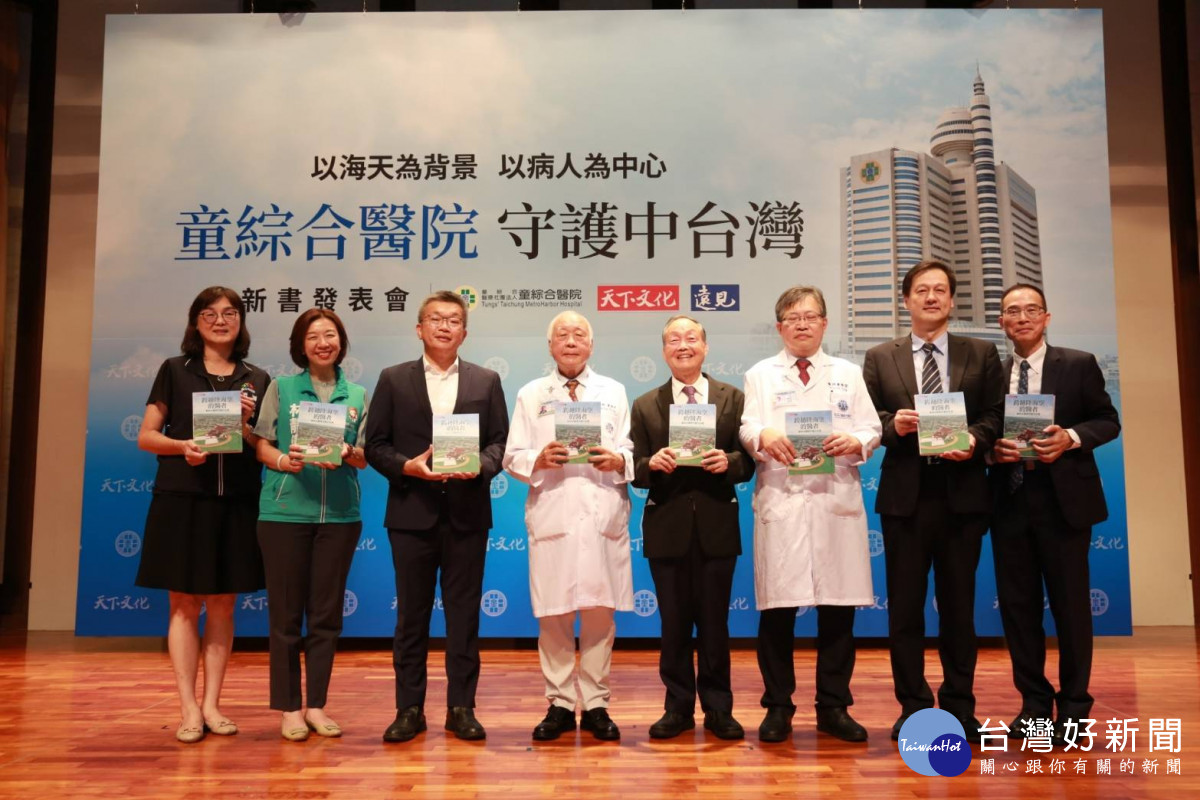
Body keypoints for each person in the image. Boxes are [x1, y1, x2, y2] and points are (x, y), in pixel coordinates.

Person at [861, 260, 1004, 742]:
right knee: (904, 609)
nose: (931, 297)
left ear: (951, 300)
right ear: (906, 300)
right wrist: (893, 426)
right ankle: (914, 706)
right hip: (906, 497)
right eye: (921, 290)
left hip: (963, 494)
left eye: (940, 289)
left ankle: (960, 706)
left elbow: (995, 414)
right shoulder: (880, 357)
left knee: (959, 608)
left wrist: (976, 442)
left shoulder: (980, 352)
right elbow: (868, 421)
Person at [365, 290, 509, 743]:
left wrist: (480, 466)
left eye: (453, 320)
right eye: (435, 319)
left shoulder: (486, 380)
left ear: (464, 331)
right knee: (411, 616)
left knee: (464, 616)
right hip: (412, 513)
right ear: (419, 328)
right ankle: (408, 709)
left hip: (467, 514)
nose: (444, 326)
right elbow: (375, 445)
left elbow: (500, 442)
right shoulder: (393, 378)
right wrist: (406, 467)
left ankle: (461, 707)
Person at [739, 286, 881, 743]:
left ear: (824, 323)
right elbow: (747, 425)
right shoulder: (760, 374)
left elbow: (871, 426)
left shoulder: (848, 373)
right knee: (777, 611)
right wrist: (763, 435)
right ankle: (778, 707)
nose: (802, 324)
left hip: (833, 500)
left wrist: (857, 441)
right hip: (782, 499)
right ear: (779, 327)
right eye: (792, 317)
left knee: (838, 611)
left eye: (810, 316)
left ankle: (833, 707)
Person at [134, 286, 270, 743]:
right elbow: (147, 435)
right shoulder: (175, 370)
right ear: (195, 322)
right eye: (209, 314)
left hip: (237, 500)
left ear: (241, 321)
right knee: (184, 603)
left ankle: (212, 704)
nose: (220, 321)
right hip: (183, 498)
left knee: (225, 603)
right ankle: (188, 708)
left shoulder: (257, 378)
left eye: (230, 313)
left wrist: (246, 426)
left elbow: (262, 444)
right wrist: (182, 446)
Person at [989, 283, 1120, 741]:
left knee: (1070, 609)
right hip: (1009, 501)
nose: (1022, 317)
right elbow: (983, 431)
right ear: (1001, 322)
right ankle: (1034, 707)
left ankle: (1075, 709)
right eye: (1012, 311)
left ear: (1046, 317)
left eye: (1031, 310)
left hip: (1064, 504)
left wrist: (1071, 437)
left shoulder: (1078, 363)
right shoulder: (993, 373)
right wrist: (992, 451)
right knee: (1018, 610)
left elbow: (1108, 421)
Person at [503, 311, 633, 742]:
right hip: (554, 512)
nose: (571, 341)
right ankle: (559, 703)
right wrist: (537, 459)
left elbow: (630, 447)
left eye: (580, 335)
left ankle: (596, 704)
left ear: (591, 345)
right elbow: (512, 454)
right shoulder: (531, 393)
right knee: (554, 615)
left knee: (599, 615)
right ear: (551, 346)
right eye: (563, 335)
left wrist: (619, 460)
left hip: (601, 513)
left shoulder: (614, 391)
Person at [630, 315, 754, 741]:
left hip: (717, 523)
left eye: (691, 338)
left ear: (705, 346)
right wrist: (651, 464)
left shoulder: (732, 398)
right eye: (674, 340)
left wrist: (729, 462)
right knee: (674, 624)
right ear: (664, 350)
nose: (683, 345)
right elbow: (634, 469)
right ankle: (677, 707)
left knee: (716, 624)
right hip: (667, 525)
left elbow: (748, 460)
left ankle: (719, 708)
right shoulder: (645, 404)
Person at [253, 308, 369, 742]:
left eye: (331, 335)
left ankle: (316, 705)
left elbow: (365, 455)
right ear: (300, 346)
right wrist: (284, 460)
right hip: (284, 513)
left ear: (341, 342)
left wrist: (352, 454)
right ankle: (289, 708)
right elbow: (261, 444)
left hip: (339, 516)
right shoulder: (282, 388)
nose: (323, 343)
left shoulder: (357, 394)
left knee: (326, 617)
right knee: (285, 617)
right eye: (314, 336)